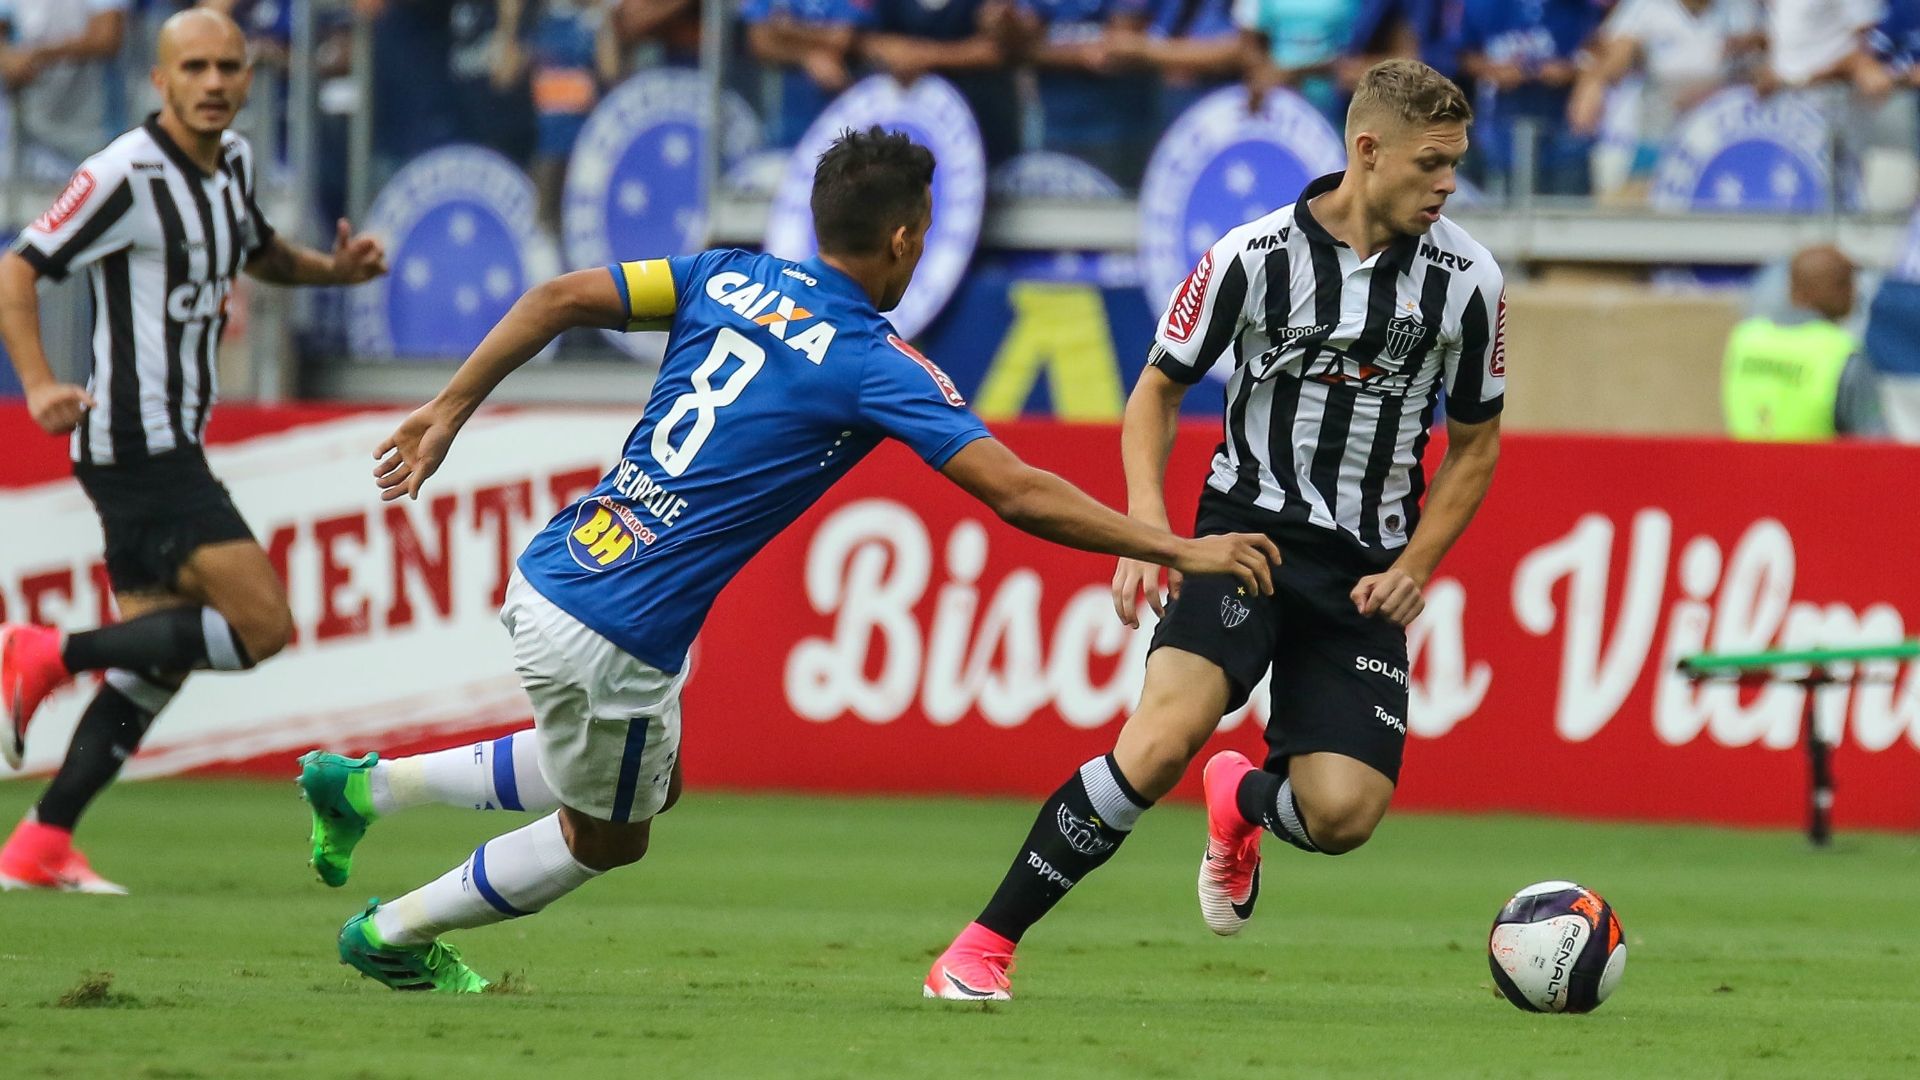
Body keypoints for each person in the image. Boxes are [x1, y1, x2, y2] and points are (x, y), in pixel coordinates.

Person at [294, 127, 1281, 993]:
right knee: (610, 835)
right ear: (902, 241)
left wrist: (450, 409)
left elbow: (556, 296)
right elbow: (1017, 490)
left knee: (640, 778)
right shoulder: (870, 359)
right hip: (620, 637)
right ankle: (393, 934)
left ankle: (363, 790)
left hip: (561, 566)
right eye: (924, 236)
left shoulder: (727, 274)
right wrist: (1178, 545)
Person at [925, 58, 1505, 1001]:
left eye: (1456, 164)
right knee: (1157, 743)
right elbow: (1156, 390)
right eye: (1432, 164)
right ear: (1368, 151)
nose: (1449, 184)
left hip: (1362, 572)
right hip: (1246, 540)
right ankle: (983, 946)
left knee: (1345, 815)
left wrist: (1417, 566)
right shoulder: (1251, 257)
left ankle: (1241, 801)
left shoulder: (1469, 281)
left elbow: (1476, 446)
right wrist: (1145, 531)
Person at [0, 9, 388, 894]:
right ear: (160, 81)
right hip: (139, 442)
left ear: (249, 79)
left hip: (172, 439)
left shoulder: (235, 165)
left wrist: (334, 271)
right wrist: (37, 382)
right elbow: (18, 267)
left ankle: (41, 842)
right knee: (262, 625)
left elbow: (259, 253)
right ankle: (47, 654)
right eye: (195, 68)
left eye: (228, 67)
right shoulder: (122, 175)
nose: (213, 82)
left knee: (157, 664)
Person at [1567, 0, 1763, 193]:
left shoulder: (1738, 8)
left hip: (1719, 123)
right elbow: (1615, 54)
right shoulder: (1647, 6)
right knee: (1638, 185)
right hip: (1660, 117)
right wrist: (1592, 85)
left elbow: (1760, 66)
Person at [1723, 244, 1879, 440]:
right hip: (1819, 469)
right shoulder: (1841, 353)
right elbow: (1874, 443)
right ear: (1835, 289)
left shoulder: (1745, 339)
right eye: (1846, 283)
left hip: (1744, 467)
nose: (1854, 293)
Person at [1455, 0, 1603, 196]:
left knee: (1570, 214)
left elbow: (1601, 50)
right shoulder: (1482, 5)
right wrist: (1494, 70)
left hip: (1566, 133)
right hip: (1502, 133)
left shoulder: (1579, 7)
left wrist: (1571, 71)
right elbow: (1461, 55)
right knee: (1504, 214)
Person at [0, 0, 129, 168]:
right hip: (31, 128)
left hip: (91, 131)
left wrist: (36, 56)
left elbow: (106, 37)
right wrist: (6, 57)